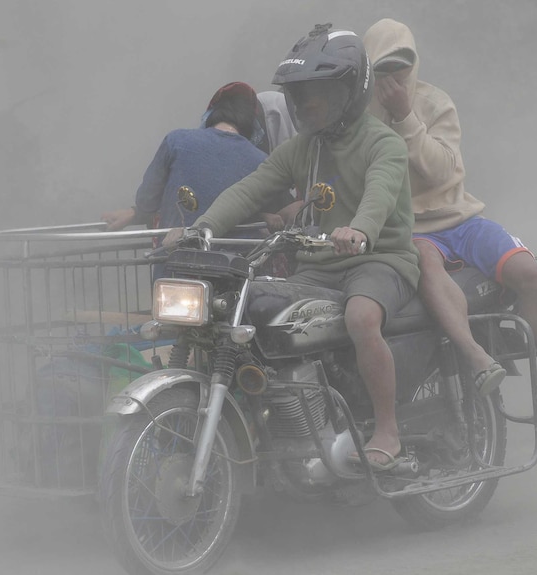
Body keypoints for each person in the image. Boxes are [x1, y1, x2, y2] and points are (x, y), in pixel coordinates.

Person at [165, 23, 420, 470]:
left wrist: (358, 230)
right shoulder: (303, 148)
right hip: (319, 265)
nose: (304, 102)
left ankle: (387, 429)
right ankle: (288, 426)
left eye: (317, 90)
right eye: (298, 93)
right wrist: (201, 228)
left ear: (349, 89)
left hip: (379, 260)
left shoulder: (385, 143)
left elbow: (378, 196)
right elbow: (251, 189)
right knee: (257, 311)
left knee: (362, 316)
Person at [362, 18, 537, 413]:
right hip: (412, 230)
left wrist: (405, 117)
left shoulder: (435, 103)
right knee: (428, 269)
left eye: (402, 66)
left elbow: (442, 171)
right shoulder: (361, 120)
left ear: (413, 63)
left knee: (529, 272)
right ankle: (477, 358)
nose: (394, 78)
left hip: (462, 218)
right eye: (383, 68)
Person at [101, 82, 280, 233]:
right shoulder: (261, 161)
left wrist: (136, 213)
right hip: (234, 266)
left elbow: (146, 202)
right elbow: (265, 210)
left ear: (211, 113)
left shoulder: (176, 141)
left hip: (176, 262)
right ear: (253, 124)